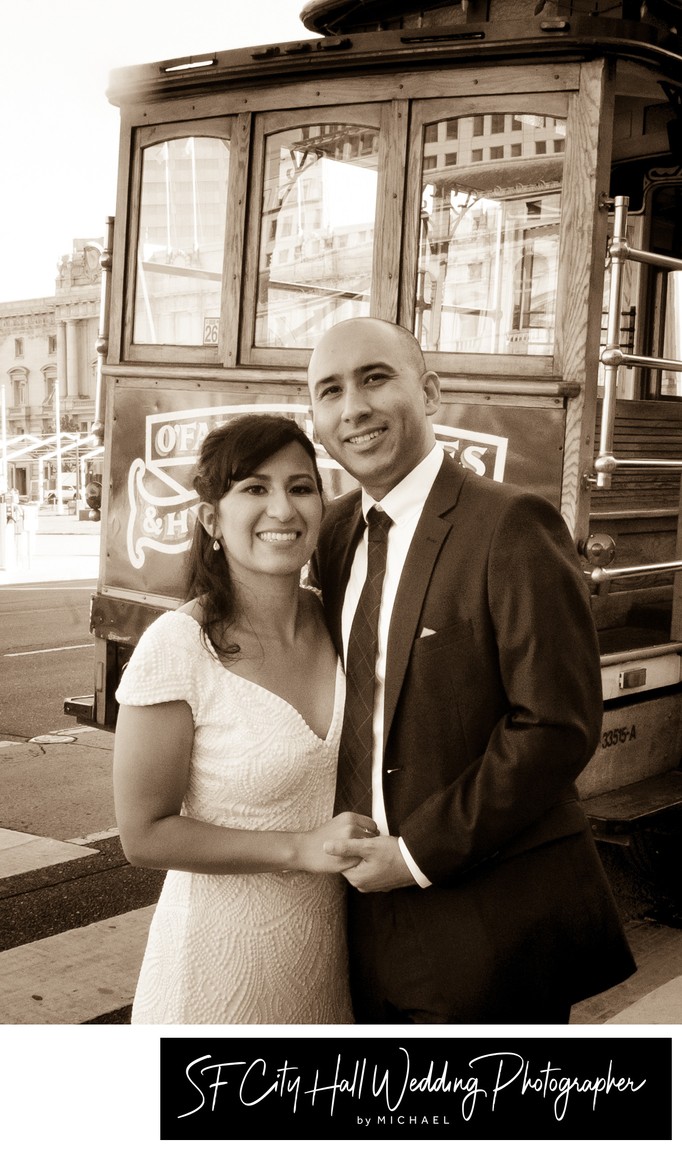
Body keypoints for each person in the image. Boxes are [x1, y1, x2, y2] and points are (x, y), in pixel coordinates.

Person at [307, 316, 636, 1025]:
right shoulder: (333, 534)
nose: (353, 407)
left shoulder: (512, 523)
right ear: (317, 421)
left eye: (375, 378)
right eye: (329, 391)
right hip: (358, 922)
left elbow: (556, 725)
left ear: (429, 392)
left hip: (489, 924)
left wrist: (416, 854)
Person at [113, 413, 376, 1024]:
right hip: (214, 966)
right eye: (254, 489)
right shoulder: (178, 647)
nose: (283, 509)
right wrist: (300, 849)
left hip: (322, 958)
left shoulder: (337, 622)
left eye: (301, 487)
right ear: (211, 520)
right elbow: (144, 835)